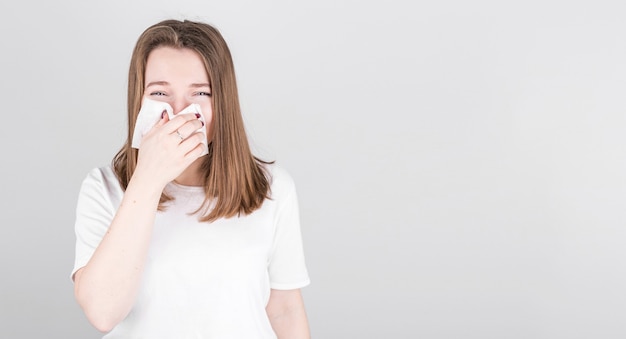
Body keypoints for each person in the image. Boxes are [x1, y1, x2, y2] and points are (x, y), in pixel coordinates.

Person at [71, 19, 311, 338]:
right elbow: (103, 313)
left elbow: (285, 309)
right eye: (160, 93)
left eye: (200, 93)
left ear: (222, 103)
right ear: (138, 100)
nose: (179, 111)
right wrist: (148, 177)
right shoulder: (104, 188)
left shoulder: (271, 188)